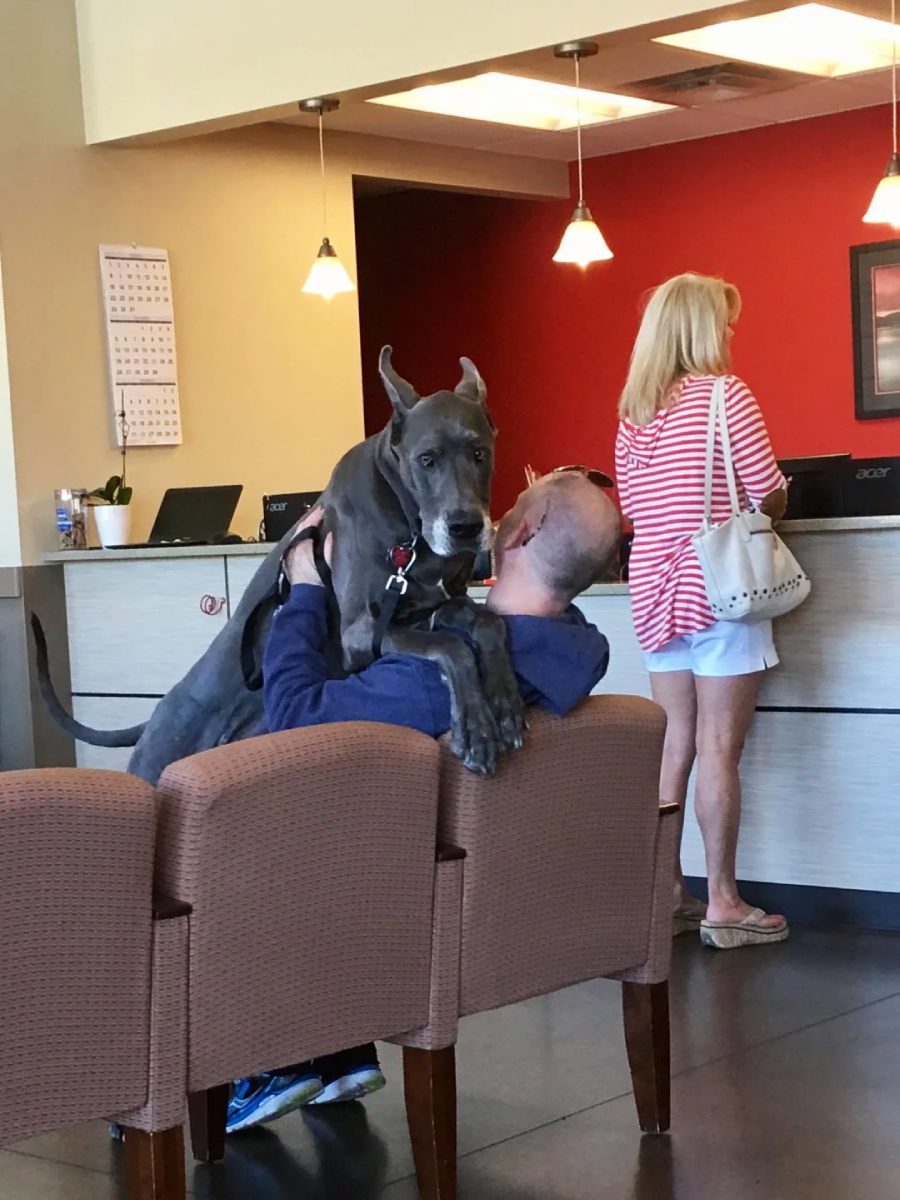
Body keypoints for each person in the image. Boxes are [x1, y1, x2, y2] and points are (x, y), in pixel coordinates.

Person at [226, 471, 621, 1133]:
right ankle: (339, 1049)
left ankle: (273, 1060)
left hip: (379, 892)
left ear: (519, 533)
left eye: (514, 504)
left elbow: (296, 715)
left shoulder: (438, 680)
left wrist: (307, 590)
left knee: (234, 840)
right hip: (458, 893)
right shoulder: (569, 651)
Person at [615, 273, 789, 953]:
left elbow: (634, 510)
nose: (731, 330)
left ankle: (666, 895)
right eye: (725, 319)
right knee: (720, 747)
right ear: (700, 327)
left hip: (654, 591)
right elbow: (767, 491)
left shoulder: (633, 412)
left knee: (674, 747)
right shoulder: (726, 395)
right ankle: (723, 903)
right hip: (720, 588)